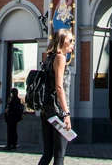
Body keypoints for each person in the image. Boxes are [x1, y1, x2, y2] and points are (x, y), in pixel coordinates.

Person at [37, 28, 74, 165]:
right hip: (57, 111)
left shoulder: (49, 57)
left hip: (46, 110)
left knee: (47, 153)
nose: (72, 44)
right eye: (70, 40)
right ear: (62, 41)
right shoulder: (60, 58)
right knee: (59, 154)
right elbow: (59, 87)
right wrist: (66, 113)